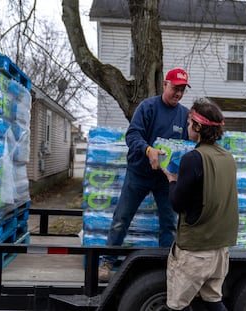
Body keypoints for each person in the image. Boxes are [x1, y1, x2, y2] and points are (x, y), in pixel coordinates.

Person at [98, 68, 191, 282]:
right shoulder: (148, 107)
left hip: (165, 179)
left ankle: (168, 266)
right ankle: (107, 261)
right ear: (165, 85)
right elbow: (132, 134)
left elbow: (188, 143)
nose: (178, 93)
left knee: (169, 222)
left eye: (182, 90)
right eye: (175, 88)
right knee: (122, 217)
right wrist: (148, 150)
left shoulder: (184, 115)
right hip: (139, 173)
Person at [162, 98, 239, 311]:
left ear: (198, 126)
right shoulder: (228, 158)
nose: (187, 127)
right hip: (220, 251)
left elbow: (177, 204)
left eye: (189, 123)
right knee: (212, 300)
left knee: (177, 305)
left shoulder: (193, 159)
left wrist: (172, 179)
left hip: (195, 252)